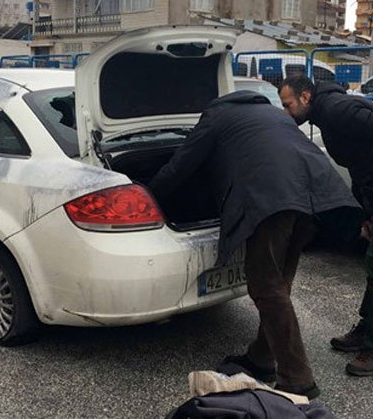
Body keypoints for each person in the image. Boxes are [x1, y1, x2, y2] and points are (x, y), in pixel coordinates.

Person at [147, 90, 360, 399]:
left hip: (273, 200)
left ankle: (297, 379)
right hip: (315, 197)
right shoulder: (272, 113)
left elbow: (181, 166)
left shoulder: (215, 117)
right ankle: (261, 358)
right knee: (279, 284)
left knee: (266, 287)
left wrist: (148, 195)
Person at [278, 75, 373, 377]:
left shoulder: (339, 111)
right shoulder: (326, 115)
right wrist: (365, 212)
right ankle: (366, 329)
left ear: (305, 97)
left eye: (288, 105)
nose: (286, 112)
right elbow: (359, 165)